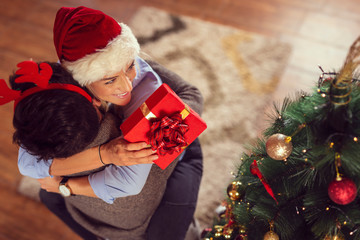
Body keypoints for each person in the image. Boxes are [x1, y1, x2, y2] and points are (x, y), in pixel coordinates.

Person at [17, 6, 204, 240]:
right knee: (49, 198)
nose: (127, 86)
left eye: (130, 66)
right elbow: (26, 163)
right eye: (110, 80)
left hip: (173, 150)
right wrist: (105, 154)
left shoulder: (145, 98)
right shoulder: (68, 81)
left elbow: (128, 183)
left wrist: (65, 185)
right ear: (80, 79)